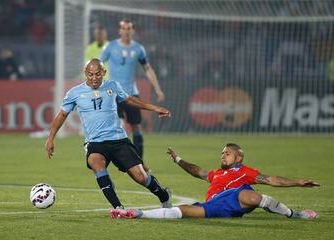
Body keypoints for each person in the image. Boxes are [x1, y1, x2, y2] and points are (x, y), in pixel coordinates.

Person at [45, 58, 171, 209]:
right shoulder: (75, 93)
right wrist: (50, 138)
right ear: (85, 74)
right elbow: (62, 115)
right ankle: (118, 208)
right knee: (95, 163)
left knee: (140, 177)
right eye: (90, 74)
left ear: (104, 72)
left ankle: (164, 196)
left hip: (118, 140)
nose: (94, 78)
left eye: (98, 74)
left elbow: (130, 100)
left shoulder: (113, 86)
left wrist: (156, 108)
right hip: (95, 143)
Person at [110, 143, 319, 219]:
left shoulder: (244, 171)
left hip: (236, 198)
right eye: (222, 153)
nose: (223, 155)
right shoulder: (217, 174)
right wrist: (179, 159)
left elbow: (271, 179)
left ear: (239, 158)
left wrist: (298, 182)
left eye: (227, 153)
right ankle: (137, 214)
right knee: (184, 211)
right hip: (217, 205)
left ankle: (294, 214)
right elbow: (198, 172)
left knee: (252, 195)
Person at [101, 19, 165, 171]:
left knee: (136, 127)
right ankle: (119, 161)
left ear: (132, 31)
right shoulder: (110, 46)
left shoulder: (138, 49)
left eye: (129, 28)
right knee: (117, 127)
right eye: (123, 28)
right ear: (119, 30)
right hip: (113, 94)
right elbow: (99, 64)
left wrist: (157, 88)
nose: (126, 31)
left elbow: (148, 69)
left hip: (131, 93)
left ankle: (139, 163)